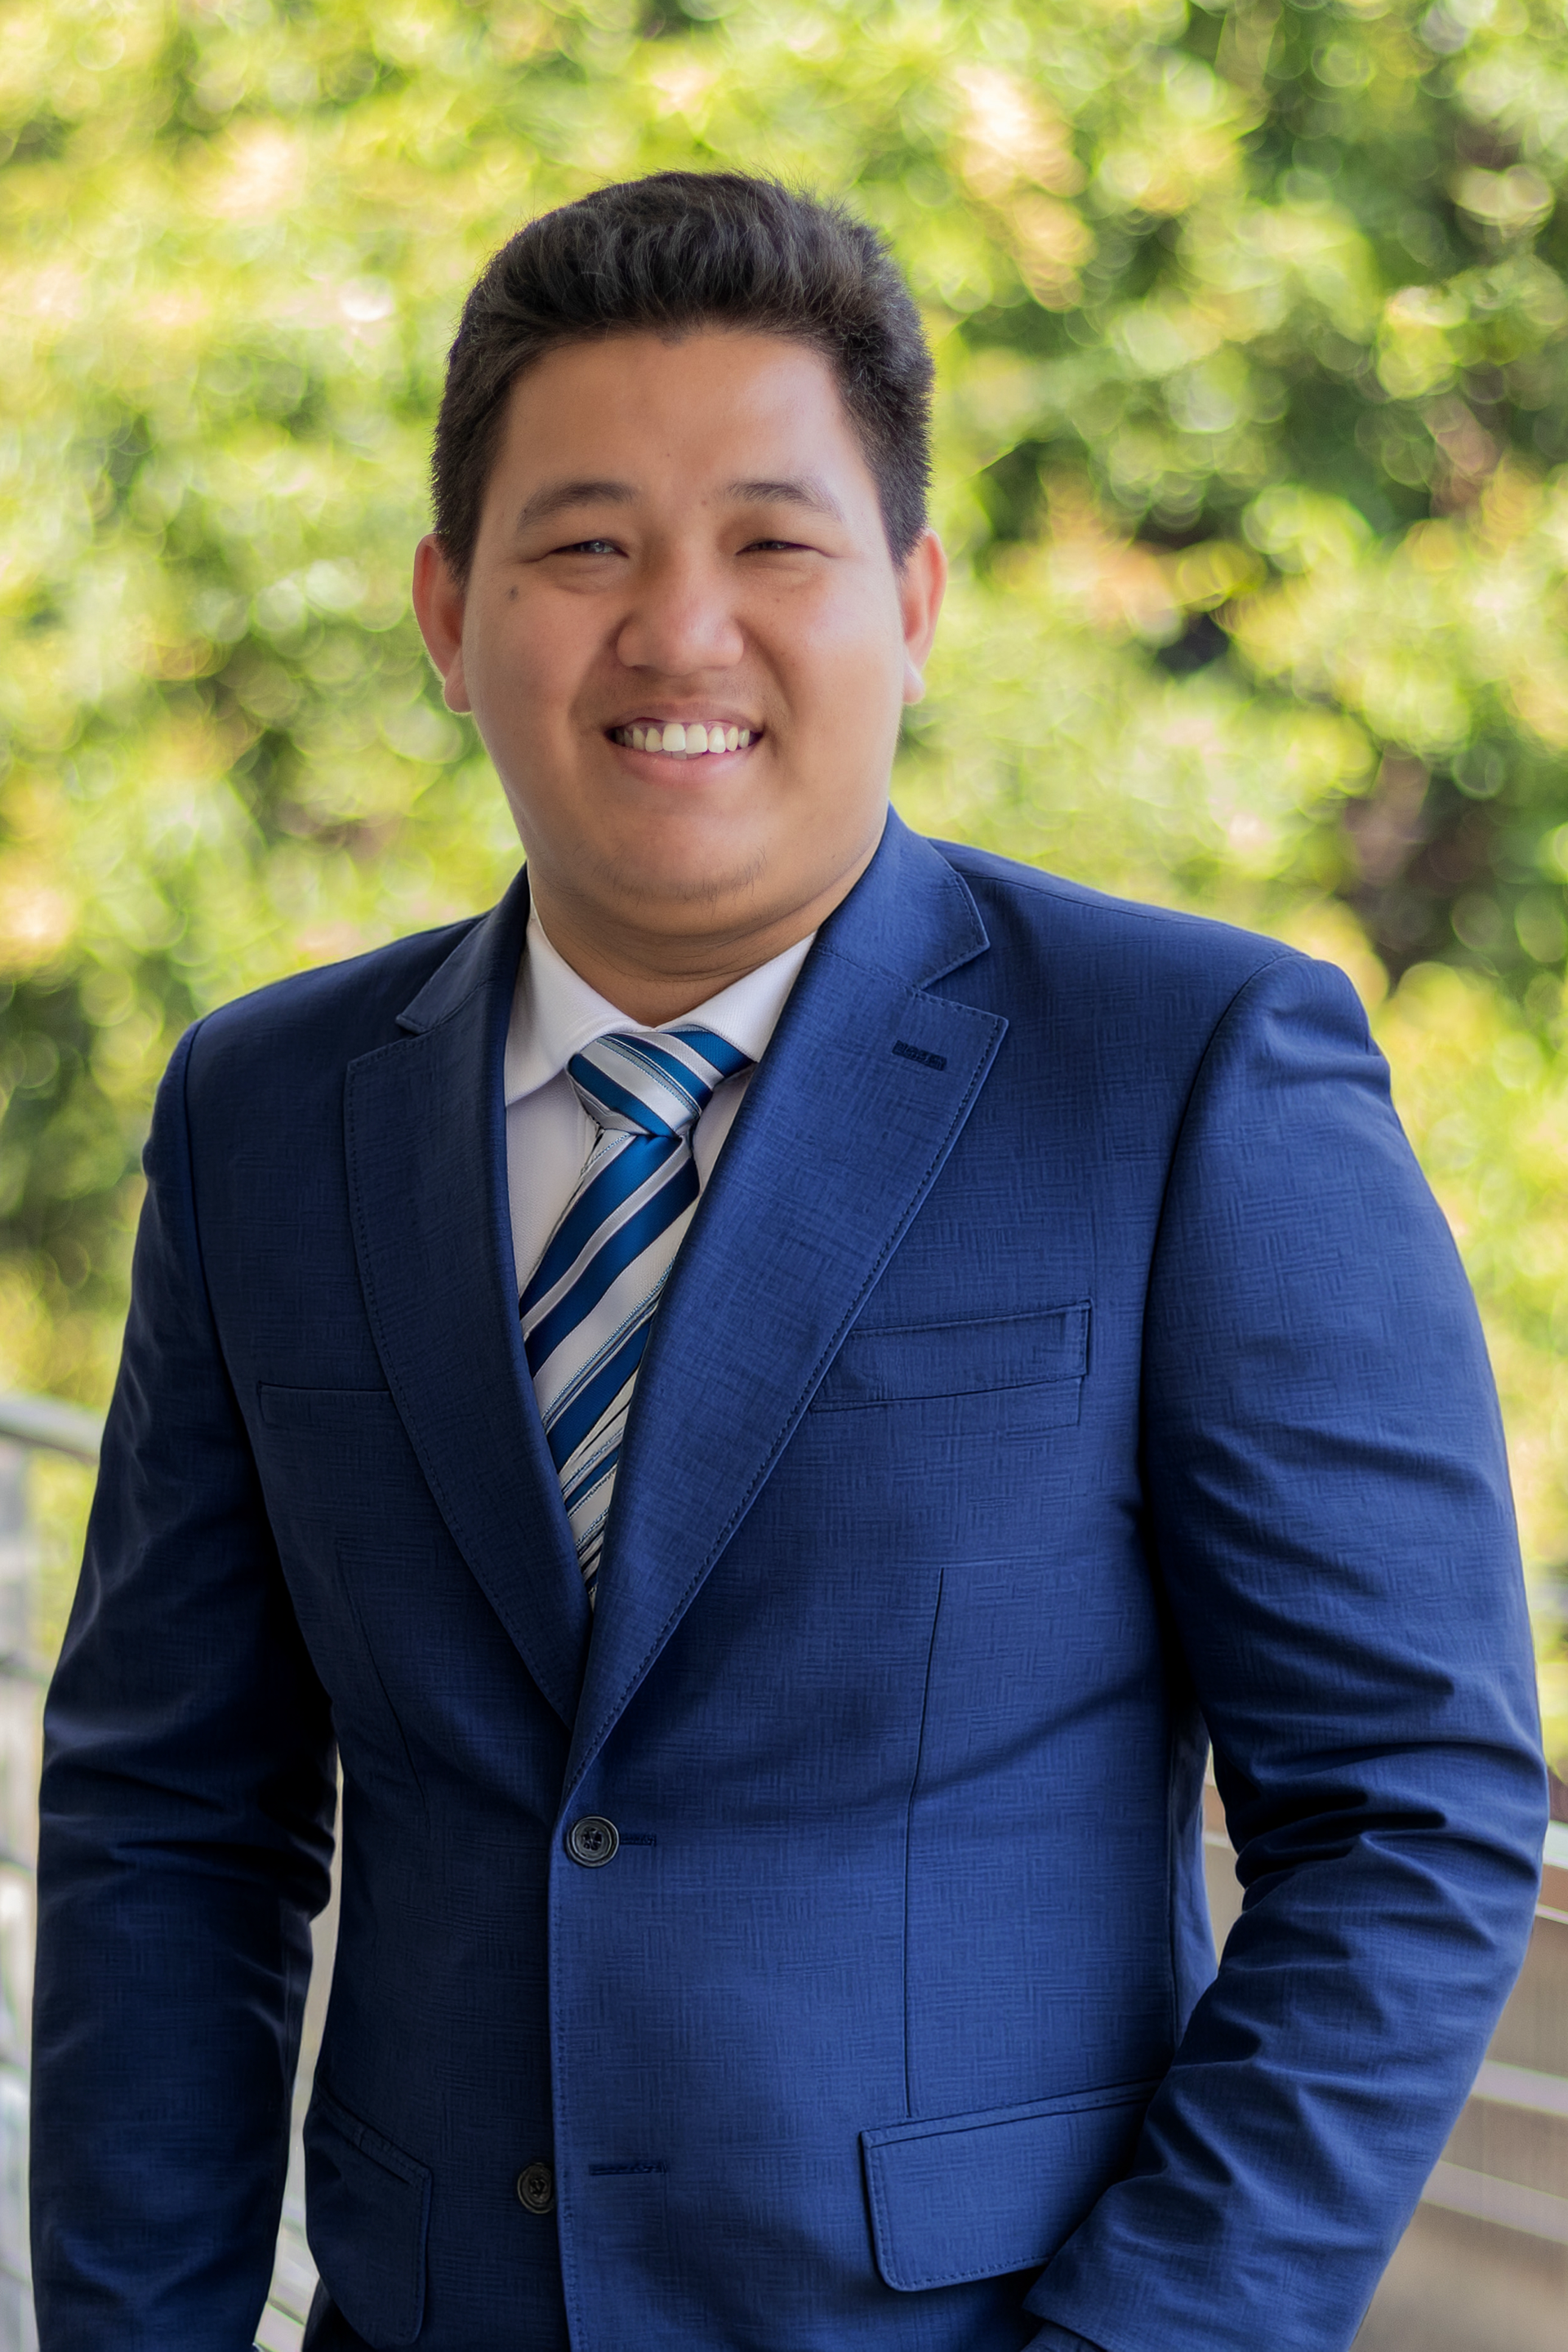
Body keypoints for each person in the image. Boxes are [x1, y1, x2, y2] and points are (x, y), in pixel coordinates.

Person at [30, 172, 1547, 2352]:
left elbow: (1409, 1820)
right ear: (449, 615)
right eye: (586, 546)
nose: (679, 630)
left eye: (773, 541)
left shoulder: (1191, 1072)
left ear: (914, 600)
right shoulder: (266, 1112)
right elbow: (171, 1820)